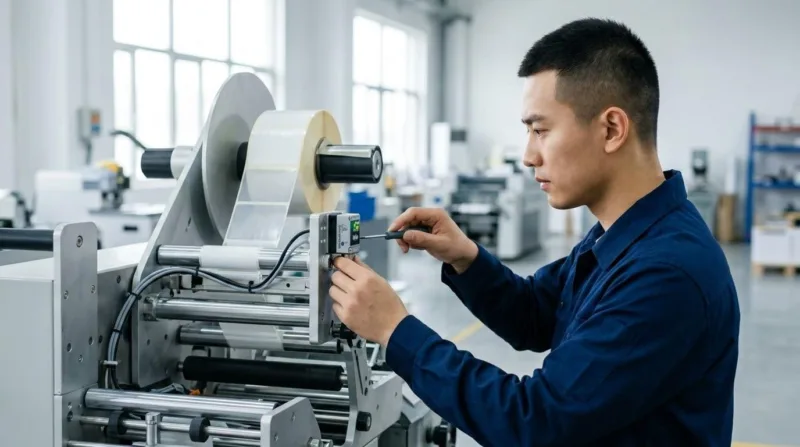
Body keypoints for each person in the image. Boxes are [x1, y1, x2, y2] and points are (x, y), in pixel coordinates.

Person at [328, 18, 740, 446]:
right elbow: (537, 314)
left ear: (612, 129)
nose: (528, 156)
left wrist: (395, 331)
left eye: (540, 131)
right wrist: (465, 258)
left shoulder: (667, 273)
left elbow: (536, 421)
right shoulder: (621, 234)